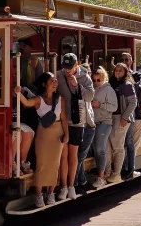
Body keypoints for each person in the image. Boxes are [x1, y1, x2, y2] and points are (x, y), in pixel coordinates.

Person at [15, 73, 66, 209]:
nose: (55, 83)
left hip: (57, 132)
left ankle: (50, 193)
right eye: (52, 81)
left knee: (55, 164)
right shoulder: (38, 99)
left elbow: (64, 118)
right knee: (42, 164)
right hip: (43, 133)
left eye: (56, 81)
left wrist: (66, 134)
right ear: (44, 84)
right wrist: (18, 93)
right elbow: (26, 103)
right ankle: (38, 195)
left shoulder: (60, 99)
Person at [56, 53, 94, 200]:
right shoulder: (59, 74)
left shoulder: (85, 77)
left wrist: (77, 86)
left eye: (69, 68)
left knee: (74, 155)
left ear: (76, 65)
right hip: (63, 120)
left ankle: (71, 186)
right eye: (65, 68)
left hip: (78, 121)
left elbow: (90, 96)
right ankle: (63, 187)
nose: (67, 71)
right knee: (63, 155)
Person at [106, 61, 137, 181]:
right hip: (109, 117)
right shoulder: (110, 84)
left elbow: (133, 102)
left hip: (121, 118)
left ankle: (117, 173)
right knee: (108, 146)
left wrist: (125, 117)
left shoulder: (127, 85)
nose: (117, 72)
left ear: (125, 72)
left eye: (120, 70)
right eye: (116, 70)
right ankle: (108, 172)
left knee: (118, 146)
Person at [88, 67, 118, 188]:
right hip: (93, 123)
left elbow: (114, 107)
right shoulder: (91, 89)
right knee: (94, 149)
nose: (95, 82)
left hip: (104, 122)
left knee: (100, 149)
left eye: (98, 80)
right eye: (93, 80)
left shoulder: (108, 90)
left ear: (103, 78)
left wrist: (99, 104)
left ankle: (101, 177)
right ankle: (98, 174)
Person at [124, 71, 141, 178]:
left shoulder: (124, 86)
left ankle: (124, 167)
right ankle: (130, 168)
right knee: (133, 145)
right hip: (137, 118)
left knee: (124, 144)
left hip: (125, 119)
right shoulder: (138, 87)